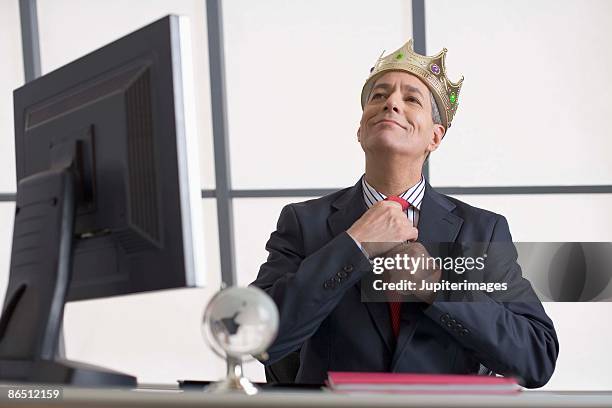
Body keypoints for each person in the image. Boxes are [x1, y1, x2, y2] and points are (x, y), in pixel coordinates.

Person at [250, 39, 558, 388]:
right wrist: (354, 245)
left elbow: (537, 356)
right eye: (378, 96)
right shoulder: (304, 223)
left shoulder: (481, 231)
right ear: (360, 129)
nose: (391, 103)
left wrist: (438, 289)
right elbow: (258, 338)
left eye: (411, 99)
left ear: (435, 138)